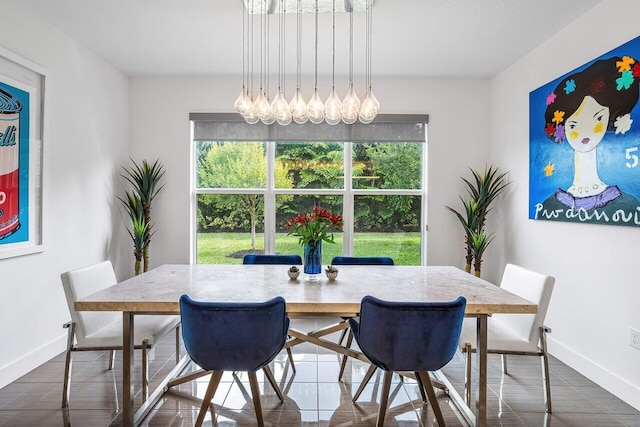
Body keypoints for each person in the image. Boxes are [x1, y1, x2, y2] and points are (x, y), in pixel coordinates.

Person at [537, 55, 640, 225]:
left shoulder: (629, 205)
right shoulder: (548, 207)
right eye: (574, 126)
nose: (586, 132)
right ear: (563, 130)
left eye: (598, 119)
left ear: (609, 119)